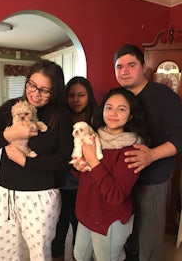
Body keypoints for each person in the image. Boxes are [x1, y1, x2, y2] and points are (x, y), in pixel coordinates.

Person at [0, 59, 74, 261]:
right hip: (6, 194)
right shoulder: (9, 108)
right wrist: (9, 135)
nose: (35, 93)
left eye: (44, 90)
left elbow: (62, 161)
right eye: (32, 84)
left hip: (41, 196)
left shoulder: (61, 117)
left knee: (39, 253)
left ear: (54, 92)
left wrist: (26, 161)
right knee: (5, 251)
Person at [114, 44, 182, 261]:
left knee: (148, 240)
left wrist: (151, 155)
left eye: (131, 65)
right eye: (119, 66)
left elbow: (179, 138)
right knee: (127, 235)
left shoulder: (164, 96)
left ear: (143, 67)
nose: (124, 71)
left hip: (151, 180)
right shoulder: (117, 97)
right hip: (122, 180)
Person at [72, 87, 150, 261]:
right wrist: (79, 166)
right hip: (87, 212)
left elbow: (115, 196)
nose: (113, 113)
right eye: (109, 107)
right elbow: (86, 177)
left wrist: (92, 160)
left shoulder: (132, 151)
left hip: (110, 219)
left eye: (121, 109)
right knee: (79, 255)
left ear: (131, 116)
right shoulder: (93, 138)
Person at [52, 76, 99, 261]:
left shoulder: (97, 119)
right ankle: (57, 255)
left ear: (89, 96)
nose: (76, 100)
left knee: (81, 225)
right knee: (59, 224)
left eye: (81, 95)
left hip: (86, 184)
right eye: (71, 95)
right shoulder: (59, 117)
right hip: (61, 182)